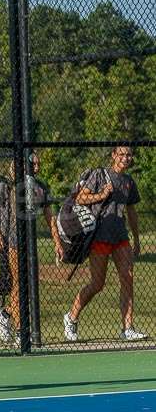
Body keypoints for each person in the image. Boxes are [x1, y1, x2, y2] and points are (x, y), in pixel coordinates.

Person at [63, 146, 147, 342]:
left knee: (128, 278)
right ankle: (71, 317)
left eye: (128, 155)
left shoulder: (128, 181)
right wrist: (101, 195)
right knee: (97, 284)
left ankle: (128, 328)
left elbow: (132, 212)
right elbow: (81, 198)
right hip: (99, 237)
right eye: (122, 154)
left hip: (121, 237)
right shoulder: (100, 175)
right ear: (113, 156)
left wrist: (136, 239)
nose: (125, 158)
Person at [0, 153, 63, 345]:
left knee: (28, 287)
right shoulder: (6, 185)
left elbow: (50, 217)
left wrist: (57, 242)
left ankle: (5, 312)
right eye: (34, 164)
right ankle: (20, 331)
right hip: (12, 241)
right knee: (19, 285)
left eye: (38, 164)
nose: (38, 167)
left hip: (30, 245)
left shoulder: (40, 187)